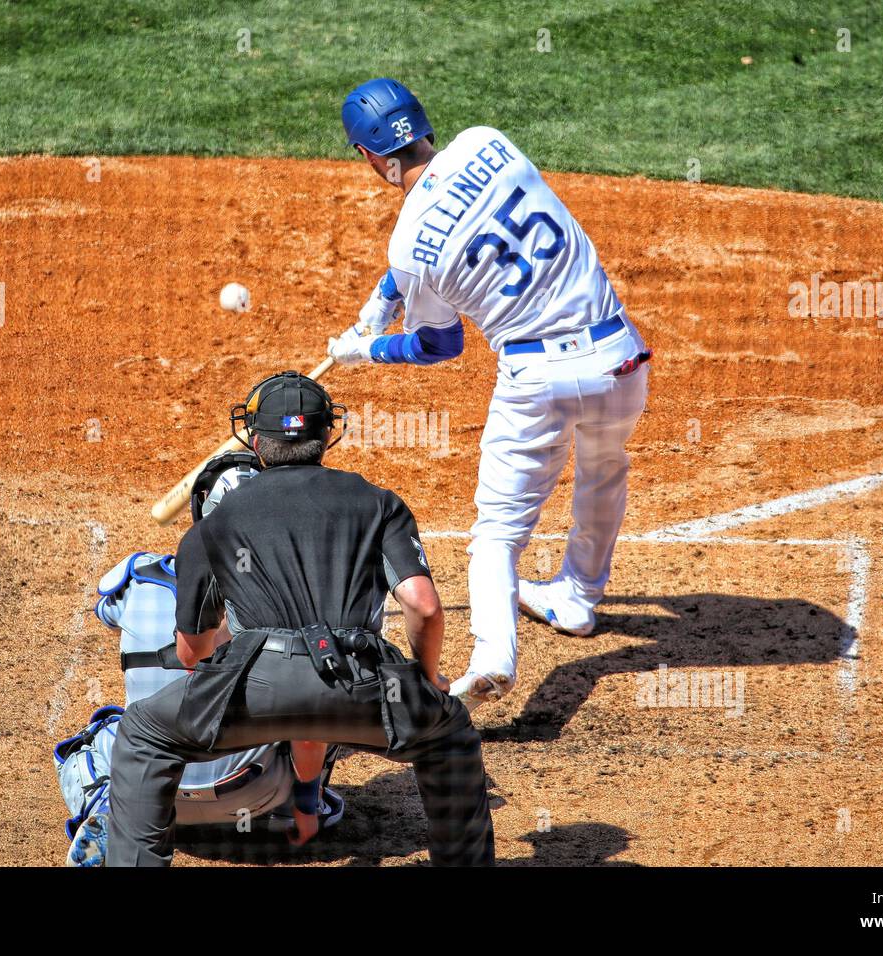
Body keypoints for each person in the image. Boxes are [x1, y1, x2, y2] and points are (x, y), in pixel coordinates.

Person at [328, 78, 651, 710]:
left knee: (497, 535)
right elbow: (459, 220)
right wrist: (385, 295)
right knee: (604, 467)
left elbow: (438, 345)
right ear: (420, 125)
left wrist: (362, 347)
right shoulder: (488, 143)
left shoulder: (410, 246)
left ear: (370, 156)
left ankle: (492, 656)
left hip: (539, 385)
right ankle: (579, 597)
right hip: (619, 361)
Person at [106, 371, 494, 866]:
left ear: (255, 439)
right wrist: (427, 676)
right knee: (449, 734)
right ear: (326, 435)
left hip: (254, 685)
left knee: (143, 734)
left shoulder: (218, 518)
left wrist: (219, 676)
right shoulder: (378, 502)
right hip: (364, 682)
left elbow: (192, 651)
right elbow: (423, 605)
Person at [54, 452, 343, 867]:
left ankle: (104, 807)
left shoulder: (139, 579)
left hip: (149, 785)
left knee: (95, 736)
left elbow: (105, 612)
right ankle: (295, 810)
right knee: (317, 701)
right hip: (251, 787)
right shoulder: (294, 598)